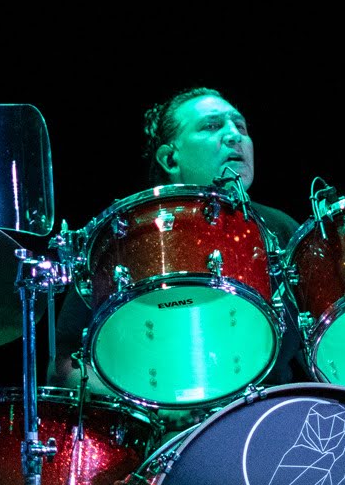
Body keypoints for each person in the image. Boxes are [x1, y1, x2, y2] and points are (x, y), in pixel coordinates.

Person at [49, 86, 310, 403]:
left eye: (240, 127)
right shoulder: (126, 234)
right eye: (212, 126)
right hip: (158, 426)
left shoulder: (281, 229)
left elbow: (317, 344)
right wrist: (155, 410)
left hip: (270, 418)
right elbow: (64, 365)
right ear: (170, 158)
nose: (234, 136)